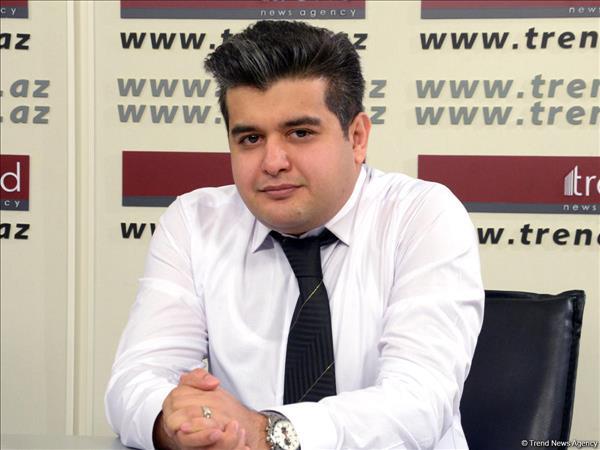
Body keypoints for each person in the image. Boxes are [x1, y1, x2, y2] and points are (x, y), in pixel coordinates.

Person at [105, 20, 484, 450]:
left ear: (357, 137)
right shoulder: (194, 222)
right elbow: (135, 380)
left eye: (300, 133)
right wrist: (178, 422)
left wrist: (268, 432)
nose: (272, 162)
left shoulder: (422, 215)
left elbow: (418, 400)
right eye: (250, 138)